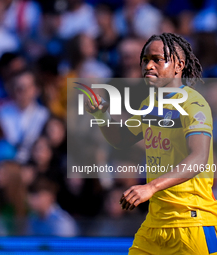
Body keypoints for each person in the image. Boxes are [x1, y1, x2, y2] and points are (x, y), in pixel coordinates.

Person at [85, 33, 217, 254]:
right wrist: (101, 115)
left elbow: (199, 159)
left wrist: (151, 187)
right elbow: (121, 139)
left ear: (179, 65)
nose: (149, 65)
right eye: (145, 59)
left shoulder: (194, 103)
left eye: (157, 59)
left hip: (191, 224)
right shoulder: (150, 103)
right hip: (155, 224)